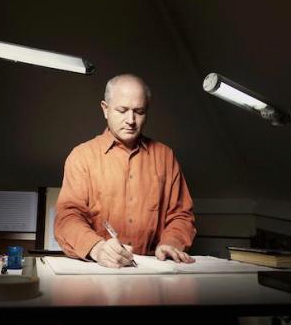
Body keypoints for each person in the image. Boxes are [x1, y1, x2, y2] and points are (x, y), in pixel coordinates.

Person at [54, 74, 196, 268]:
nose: (131, 120)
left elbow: (181, 215)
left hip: (153, 271)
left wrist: (170, 243)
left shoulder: (165, 156)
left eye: (139, 111)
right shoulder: (81, 156)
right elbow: (67, 217)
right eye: (122, 110)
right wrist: (97, 248)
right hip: (99, 270)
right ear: (105, 109)